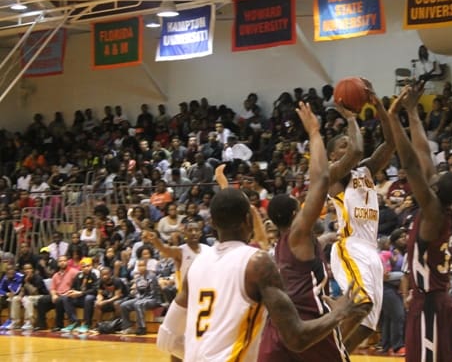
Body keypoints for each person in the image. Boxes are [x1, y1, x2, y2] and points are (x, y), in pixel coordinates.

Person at [155, 188, 368, 362]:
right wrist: (338, 313)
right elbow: (296, 338)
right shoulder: (256, 263)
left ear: (211, 223)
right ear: (249, 220)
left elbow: (166, 338)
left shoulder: (197, 264)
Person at [258, 101, 349, 361]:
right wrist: (314, 133)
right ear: (294, 215)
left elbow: (303, 263)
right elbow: (321, 179)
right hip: (309, 322)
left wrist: (325, 239)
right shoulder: (298, 233)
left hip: (280, 325)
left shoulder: (284, 244)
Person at [387, 83, 452, 362]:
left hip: (431, 304)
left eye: (437, 177)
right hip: (433, 300)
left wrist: (393, 119)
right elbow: (423, 154)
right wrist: (412, 112)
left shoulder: (433, 211)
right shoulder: (438, 207)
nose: (433, 173)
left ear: (437, 189)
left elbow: (410, 164)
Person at [327, 79, 395, 351]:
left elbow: (391, 142)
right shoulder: (333, 175)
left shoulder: (365, 171)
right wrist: (351, 118)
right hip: (350, 247)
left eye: (348, 143)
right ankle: (323, 354)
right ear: (333, 156)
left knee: (367, 323)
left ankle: (338, 355)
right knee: (360, 302)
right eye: (342, 145)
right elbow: (356, 150)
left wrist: (378, 104)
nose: (349, 147)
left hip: (370, 250)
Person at [56, 257, 99, 333]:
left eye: (88, 266)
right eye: (84, 267)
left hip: (89, 298)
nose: (86, 268)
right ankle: (74, 322)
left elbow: (94, 290)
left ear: (91, 266)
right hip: (79, 298)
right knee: (65, 298)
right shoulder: (79, 275)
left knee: (88, 298)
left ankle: (86, 324)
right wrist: (71, 292)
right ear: (81, 268)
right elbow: (73, 287)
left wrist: (81, 293)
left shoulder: (94, 275)